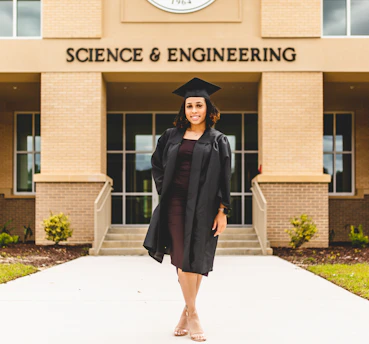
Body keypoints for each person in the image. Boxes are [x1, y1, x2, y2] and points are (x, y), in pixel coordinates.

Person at [143, 77, 232, 342]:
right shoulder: (170, 136)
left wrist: (222, 210)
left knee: (196, 259)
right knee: (182, 258)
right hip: (175, 204)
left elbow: (225, 178)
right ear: (184, 109)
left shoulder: (218, 140)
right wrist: (165, 188)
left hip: (204, 207)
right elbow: (157, 164)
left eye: (199, 106)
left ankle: (185, 312)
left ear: (208, 109)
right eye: (189, 106)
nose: (194, 110)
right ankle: (194, 315)